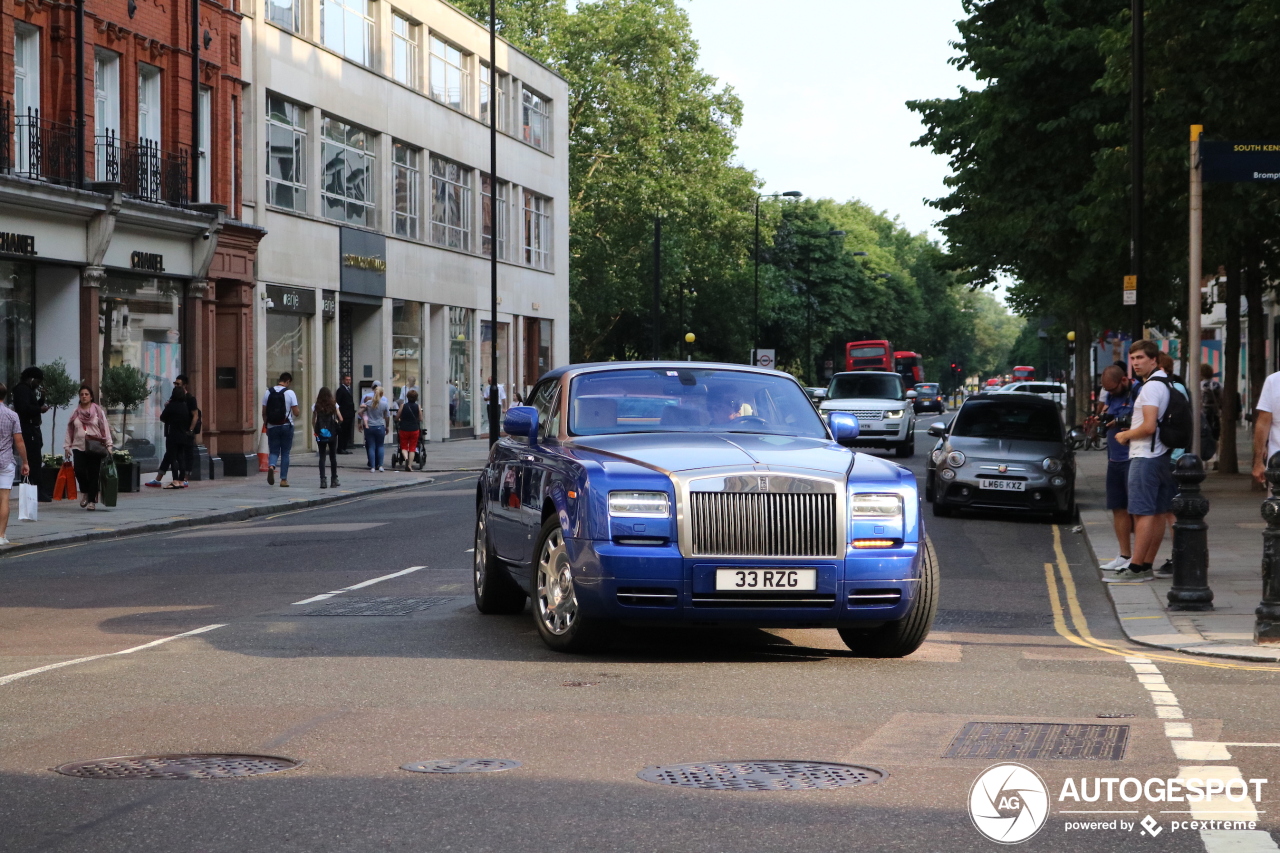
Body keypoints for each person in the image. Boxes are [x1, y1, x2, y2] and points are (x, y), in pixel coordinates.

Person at [1108, 340, 1173, 583]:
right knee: (1156, 512)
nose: (1135, 363)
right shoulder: (1164, 383)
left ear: (1154, 360)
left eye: (1140, 358)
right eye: (1133, 358)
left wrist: (1125, 435)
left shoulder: (1150, 388)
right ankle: (1145, 565)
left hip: (1145, 456)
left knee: (1142, 513)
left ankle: (1135, 567)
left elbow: (1147, 426)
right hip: (1160, 456)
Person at [1097, 364, 1140, 573]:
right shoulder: (1111, 396)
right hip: (1114, 459)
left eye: (1112, 389)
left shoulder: (1139, 391)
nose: (1110, 393)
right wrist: (1102, 419)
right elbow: (1108, 416)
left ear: (1124, 380)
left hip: (1133, 458)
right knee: (1118, 508)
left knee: (1137, 511)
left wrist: (1123, 422)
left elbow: (1145, 421)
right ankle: (1124, 555)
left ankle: (1139, 559)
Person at [63, 385, 112, 511]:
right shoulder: (75, 412)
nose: (84, 396)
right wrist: (67, 446)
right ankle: (84, 491)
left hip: (94, 446)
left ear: (91, 397)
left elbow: (105, 428)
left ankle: (91, 501)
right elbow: (70, 430)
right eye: (82, 394)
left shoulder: (98, 411)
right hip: (78, 446)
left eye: (86, 394)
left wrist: (109, 445)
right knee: (79, 471)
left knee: (93, 473)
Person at [145, 375, 199, 487]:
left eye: (178, 384)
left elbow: (195, 416)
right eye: (175, 383)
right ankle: (177, 480)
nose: (175, 385)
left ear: (184, 385)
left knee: (176, 456)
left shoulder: (189, 399)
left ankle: (178, 480)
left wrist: (190, 430)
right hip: (182, 433)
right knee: (176, 456)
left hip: (177, 434)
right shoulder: (180, 403)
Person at [0, 383, 31, 545]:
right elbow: (19, 441)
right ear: (4, 396)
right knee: (4, 498)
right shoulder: (12, 415)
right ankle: (1, 536)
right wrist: (25, 462)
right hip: (5, 462)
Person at [261, 372, 300, 487]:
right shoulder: (290, 393)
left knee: (273, 451)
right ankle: (283, 479)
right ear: (288, 381)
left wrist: (266, 425)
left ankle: (272, 466)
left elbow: (264, 412)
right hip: (286, 425)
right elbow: (296, 412)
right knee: (285, 453)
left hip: (272, 426)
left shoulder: (268, 392)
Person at [11, 367, 46, 470]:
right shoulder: (22, 390)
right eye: (37, 381)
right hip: (28, 429)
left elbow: (32, 406)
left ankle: (34, 482)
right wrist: (39, 410)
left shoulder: (27, 390)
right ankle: (32, 482)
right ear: (31, 379)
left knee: (36, 458)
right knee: (33, 459)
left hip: (33, 428)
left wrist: (42, 399)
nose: (38, 384)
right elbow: (24, 408)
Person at [159, 386, 194, 488]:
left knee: (173, 458)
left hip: (172, 435)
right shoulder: (185, 406)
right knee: (181, 457)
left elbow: (162, 418)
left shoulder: (171, 406)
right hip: (183, 435)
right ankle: (181, 480)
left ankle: (175, 480)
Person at [1252, 368, 1280, 486]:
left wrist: (1258, 462)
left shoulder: (1274, 381)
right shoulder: (1274, 381)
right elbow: (1263, 423)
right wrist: (1258, 461)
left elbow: (1263, 423)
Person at [313, 387, 342, 489]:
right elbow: (340, 418)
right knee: (332, 456)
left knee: (322, 456)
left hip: (320, 434)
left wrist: (316, 432)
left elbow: (314, 421)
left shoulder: (316, 406)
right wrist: (336, 423)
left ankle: (323, 480)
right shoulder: (334, 405)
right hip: (332, 433)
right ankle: (334, 479)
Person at [361, 384, 390, 472]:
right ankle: (380, 465)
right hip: (380, 426)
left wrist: (365, 419)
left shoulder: (368, 403)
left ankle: (372, 466)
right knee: (380, 446)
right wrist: (387, 426)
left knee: (371, 446)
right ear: (382, 394)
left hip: (369, 426)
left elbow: (361, 412)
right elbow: (387, 416)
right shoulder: (384, 404)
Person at [397, 389, 422, 471]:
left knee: (403, 446)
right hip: (414, 429)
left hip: (404, 428)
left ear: (407, 397)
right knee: (412, 448)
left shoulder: (403, 406)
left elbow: (397, 416)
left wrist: (399, 419)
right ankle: (410, 466)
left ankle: (405, 458)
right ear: (416, 398)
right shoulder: (418, 406)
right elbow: (420, 418)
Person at [335, 375, 356, 454]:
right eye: (347, 380)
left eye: (349, 380)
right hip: (344, 415)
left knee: (347, 432)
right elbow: (338, 403)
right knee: (342, 432)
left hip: (349, 415)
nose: (348, 381)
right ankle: (341, 448)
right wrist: (339, 414)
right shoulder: (341, 390)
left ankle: (344, 447)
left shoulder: (348, 389)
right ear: (343, 380)